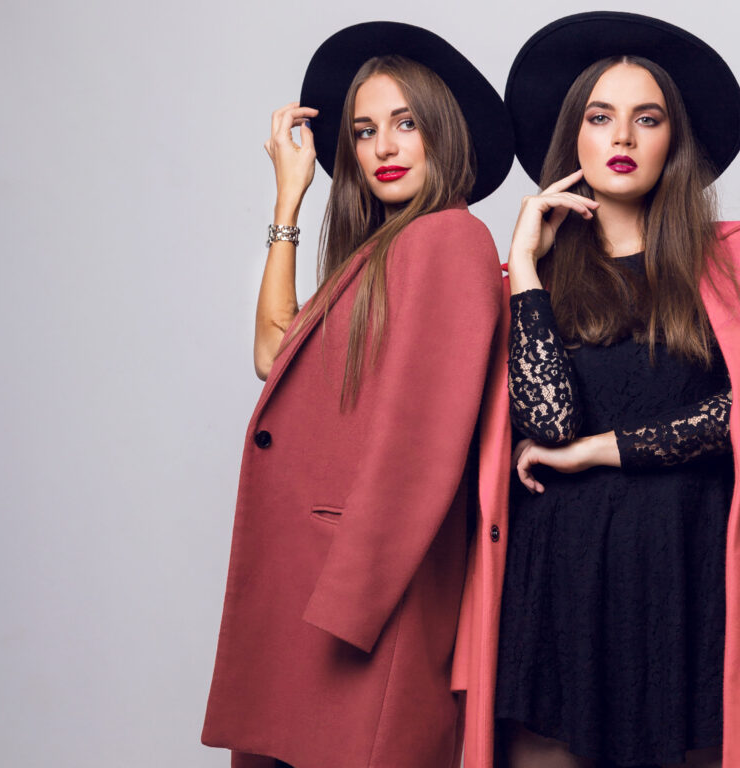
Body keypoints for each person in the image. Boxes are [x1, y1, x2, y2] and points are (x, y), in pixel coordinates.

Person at [456, 12, 740, 768]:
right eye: (600, 117)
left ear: (673, 141)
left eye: (646, 118)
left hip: (689, 569)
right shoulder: (526, 283)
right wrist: (523, 268)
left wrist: (600, 450)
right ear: (573, 138)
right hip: (560, 575)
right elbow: (546, 426)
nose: (622, 136)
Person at [200, 21, 514, 768]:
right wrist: (289, 200)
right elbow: (271, 353)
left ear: (443, 132)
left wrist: (352, 601)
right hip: (314, 589)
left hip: (363, 597)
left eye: (406, 124)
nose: (383, 148)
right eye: (365, 131)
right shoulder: (379, 250)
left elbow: (422, 441)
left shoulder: (448, 239)